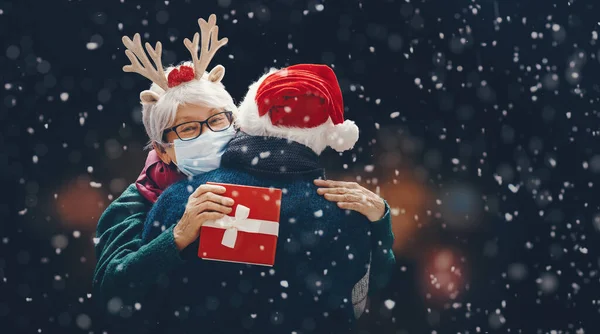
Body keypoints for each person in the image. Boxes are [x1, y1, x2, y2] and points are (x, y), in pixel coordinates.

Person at [92, 15, 394, 328]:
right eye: (188, 128)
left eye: (217, 120)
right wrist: (177, 235)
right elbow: (110, 290)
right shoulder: (140, 201)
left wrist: (378, 220)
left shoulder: (260, 180)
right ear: (162, 149)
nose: (207, 133)